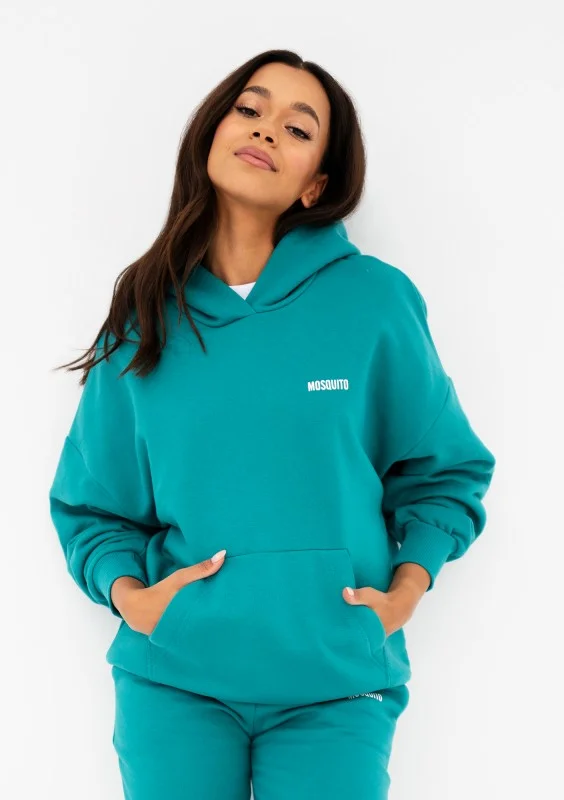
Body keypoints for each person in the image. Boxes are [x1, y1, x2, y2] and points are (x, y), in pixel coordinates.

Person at [48, 48, 496, 800]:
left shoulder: (374, 302)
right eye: (250, 110)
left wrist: (406, 591)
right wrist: (133, 598)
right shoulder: (146, 313)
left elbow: (444, 472)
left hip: (335, 686)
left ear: (316, 182)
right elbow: (94, 504)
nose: (264, 130)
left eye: (297, 127)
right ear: (213, 134)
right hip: (175, 684)